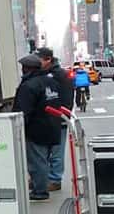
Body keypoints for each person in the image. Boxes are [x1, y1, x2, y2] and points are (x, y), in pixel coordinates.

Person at [13, 54, 64, 201]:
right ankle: (41, 185)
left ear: (28, 69)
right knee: (45, 159)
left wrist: (20, 128)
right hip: (52, 126)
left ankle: (40, 191)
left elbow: (23, 110)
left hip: (36, 129)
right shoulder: (50, 82)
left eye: (24, 68)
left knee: (37, 162)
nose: (22, 70)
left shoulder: (29, 86)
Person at [36, 46, 74, 192]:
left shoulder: (60, 75)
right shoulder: (44, 73)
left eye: (39, 58)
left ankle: (55, 179)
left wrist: (64, 114)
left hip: (58, 118)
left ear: (48, 60)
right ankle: (45, 178)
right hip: (46, 118)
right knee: (45, 151)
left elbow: (67, 97)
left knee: (57, 151)